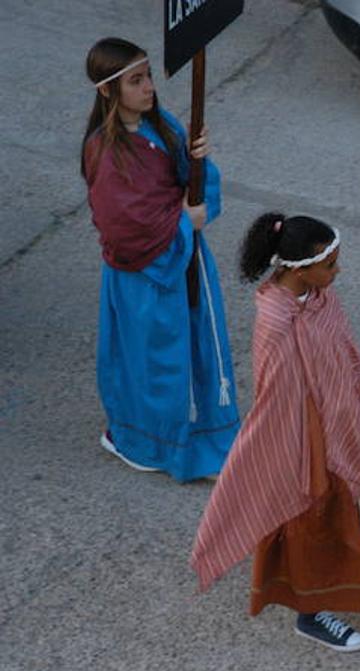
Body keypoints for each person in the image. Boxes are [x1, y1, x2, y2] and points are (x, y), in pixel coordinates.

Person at [190, 213, 360, 652]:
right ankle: (311, 615)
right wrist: (311, 454)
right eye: (330, 265)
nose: (337, 272)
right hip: (308, 449)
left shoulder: (322, 300)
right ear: (298, 268)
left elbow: (348, 353)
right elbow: (278, 399)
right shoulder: (277, 320)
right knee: (312, 532)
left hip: (349, 436)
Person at [82, 38, 239, 481]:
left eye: (148, 75)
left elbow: (189, 186)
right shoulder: (105, 151)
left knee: (196, 355)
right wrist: (184, 223)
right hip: (146, 277)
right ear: (108, 91)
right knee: (155, 364)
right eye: (136, 81)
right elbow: (123, 228)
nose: (149, 87)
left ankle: (204, 437)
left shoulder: (161, 127)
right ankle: (144, 442)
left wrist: (198, 160)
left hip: (185, 259)